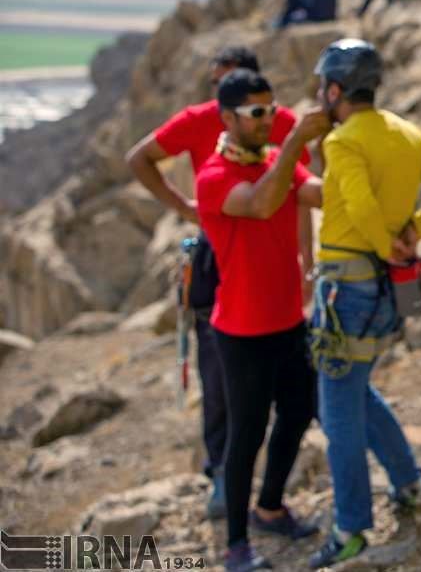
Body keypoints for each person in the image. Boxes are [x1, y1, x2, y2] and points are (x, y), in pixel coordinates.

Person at [124, 46, 312, 521]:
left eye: (234, 83)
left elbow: (297, 195)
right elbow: (140, 159)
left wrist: (306, 259)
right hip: (218, 250)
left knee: (279, 391)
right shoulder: (198, 121)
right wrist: (187, 208)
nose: (223, 95)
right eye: (219, 86)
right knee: (218, 371)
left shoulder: (276, 121)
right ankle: (221, 478)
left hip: (269, 258)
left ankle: (254, 493)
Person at [306, 39, 421, 568]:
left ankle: (351, 527)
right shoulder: (405, 131)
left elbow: (356, 205)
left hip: (345, 288)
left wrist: (387, 241)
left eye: (322, 89)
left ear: (335, 90)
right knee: (358, 390)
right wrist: (411, 233)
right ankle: (409, 484)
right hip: (385, 290)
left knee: (338, 417)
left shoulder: (344, 141)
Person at [195, 69, 332, 572]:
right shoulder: (213, 177)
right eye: (257, 113)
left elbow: (313, 193)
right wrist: (295, 140)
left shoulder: (275, 160)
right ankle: (235, 545)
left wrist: (341, 148)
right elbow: (261, 203)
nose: (267, 120)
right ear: (227, 117)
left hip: (287, 322)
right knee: (246, 436)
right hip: (241, 333)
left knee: (298, 413)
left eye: (272, 110)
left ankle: (270, 507)